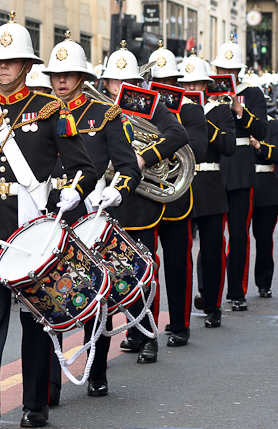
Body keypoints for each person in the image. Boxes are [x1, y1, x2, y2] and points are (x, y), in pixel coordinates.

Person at [0, 13, 97, 429]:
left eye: (11, 62)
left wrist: (73, 192)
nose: (3, 68)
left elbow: (83, 167)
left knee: (35, 322)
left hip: (32, 232)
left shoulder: (49, 110)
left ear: (27, 66)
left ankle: (34, 403)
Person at [43, 32, 141, 397]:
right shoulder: (36, 113)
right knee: (48, 296)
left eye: (69, 74)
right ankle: (48, 382)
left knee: (95, 296)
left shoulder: (104, 113)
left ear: (82, 77)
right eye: (56, 74)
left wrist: (117, 190)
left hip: (91, 211)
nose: (62, 81)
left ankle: (96, 368)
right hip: (49, 211)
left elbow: (130, 167)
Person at [100, 42, 188, 363]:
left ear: (137, 81)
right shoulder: (94, 107)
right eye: (115, 81)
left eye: (127, 81)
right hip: (105, 201)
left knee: (143, 272)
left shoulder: (147, 104)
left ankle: (148, 335)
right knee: (110, 273)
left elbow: (178, 135)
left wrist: (143, 157)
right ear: (106, 82)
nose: (121, 86)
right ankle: (127, 335)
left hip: (140, 202)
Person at [148, 43, 207, 347]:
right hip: (144, 196)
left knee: (177, 263)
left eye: (167, 81)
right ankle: (142, 329)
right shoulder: (138, 107)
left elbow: (198, 149)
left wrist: (164, 145)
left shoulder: (190, 109)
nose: (162, 86)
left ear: (175, 81)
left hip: (176, 195)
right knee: (144, 265)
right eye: (156, 81)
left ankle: (180, 324)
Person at [180, 52, 236, 329]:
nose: (190, 89)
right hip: (180, 184)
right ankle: (182, 315)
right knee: (180, 253)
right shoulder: (173, 111)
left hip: (210, 184)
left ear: (205, 85)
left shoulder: (220, 111)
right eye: (186, 84)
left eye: (196, 84)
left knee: (213, 250)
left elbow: (229, 146)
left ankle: (213, 304)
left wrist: (204, 124)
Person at [212, 37, 268, 312]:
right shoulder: (208, 91)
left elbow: (262, 131)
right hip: (214, 168)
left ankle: (237, 291)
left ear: (239, 71)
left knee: (238, 233)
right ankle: (209, 291)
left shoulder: (253, 93)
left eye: (231, 69)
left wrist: (239, 109)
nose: (227, 74)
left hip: (241, 168)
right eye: (223, 69)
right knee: (212, 235)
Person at [250, 116, 278, 298]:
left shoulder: (271, 123)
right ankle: (235, 288)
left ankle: (264, 282)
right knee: (237, 240)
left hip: (266, 187)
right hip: (238, 185)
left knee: (264, 238)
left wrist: (259, 146)